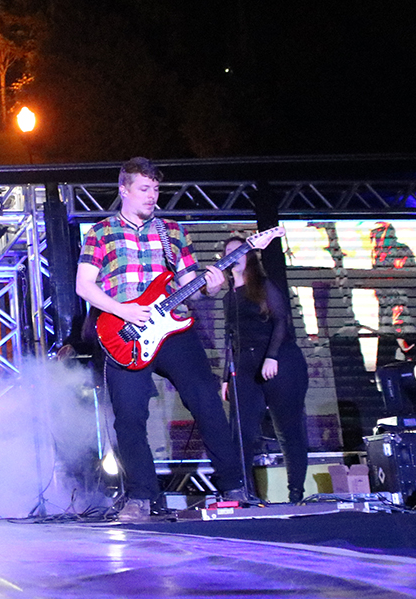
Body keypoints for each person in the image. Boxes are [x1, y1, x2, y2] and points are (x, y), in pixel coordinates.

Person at [76, 157, 245, 521]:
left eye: (155, 189)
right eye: (143, 188)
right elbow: (84, 286)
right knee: (129, 417)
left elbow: (189, 289)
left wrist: (211, 287)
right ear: (124, 190)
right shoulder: (100, 233)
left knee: (206, 401)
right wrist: (122, 310)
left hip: (173, 328)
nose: (151, 196)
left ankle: (233, 485)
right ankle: (141, 496)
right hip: (125, 332)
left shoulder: (172, 231)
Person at [220, 235, 310, 503]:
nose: (232, 255)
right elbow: (232, 338)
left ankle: (296, 493)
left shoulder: (263, 286)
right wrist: (226, 377)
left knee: (288, 429)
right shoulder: (228, 298)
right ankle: (246, 492)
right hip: (245, 366)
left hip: (280, 360)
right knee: (242, 431)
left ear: (249, 256)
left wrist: (271, 357)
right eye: (227, 252)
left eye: (238, 251)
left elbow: (281, 321)